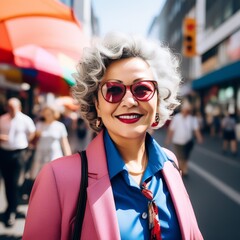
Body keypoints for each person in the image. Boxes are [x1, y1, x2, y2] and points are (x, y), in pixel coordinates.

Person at [23, 32, 203, 239]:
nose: (129, 101)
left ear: (158, 100)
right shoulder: (56, 178)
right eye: (113, 90)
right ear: (97, 104)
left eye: (142, 89)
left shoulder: (170, 164)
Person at [0, 98, 36, 227]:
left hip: (19, 153)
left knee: (14, 183)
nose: (10, 110)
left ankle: (12, 209)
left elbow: (32, 133)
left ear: (19, 107)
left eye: (13, 107)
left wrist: (26, 143)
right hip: (4, 153)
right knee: (7, 182)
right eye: (8, 107)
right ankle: (10, 207)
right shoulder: (2, 119)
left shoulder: (25, 120)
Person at [29, 105, 72, 180]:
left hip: (54, 155)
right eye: (45, 114)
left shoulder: (60, 126)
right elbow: (33, 140)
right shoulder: (39, 124)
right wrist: (36, 135)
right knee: (40, 178)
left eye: (49, 114)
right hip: (40, 155)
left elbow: (65, 143)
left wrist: (68, 157)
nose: (47, 116)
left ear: (54, 114)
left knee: (54, 176)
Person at [165, 100, 203, 176]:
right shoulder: (177, 117)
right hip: (177, 141)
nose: (186, 111)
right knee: (180, 157)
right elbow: (171, 129)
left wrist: (199, 137)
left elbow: (196, 130)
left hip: (188, 142)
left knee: (185, 157)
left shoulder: (192, 119)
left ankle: (183, 169)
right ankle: (182, 170)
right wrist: (168, 139)